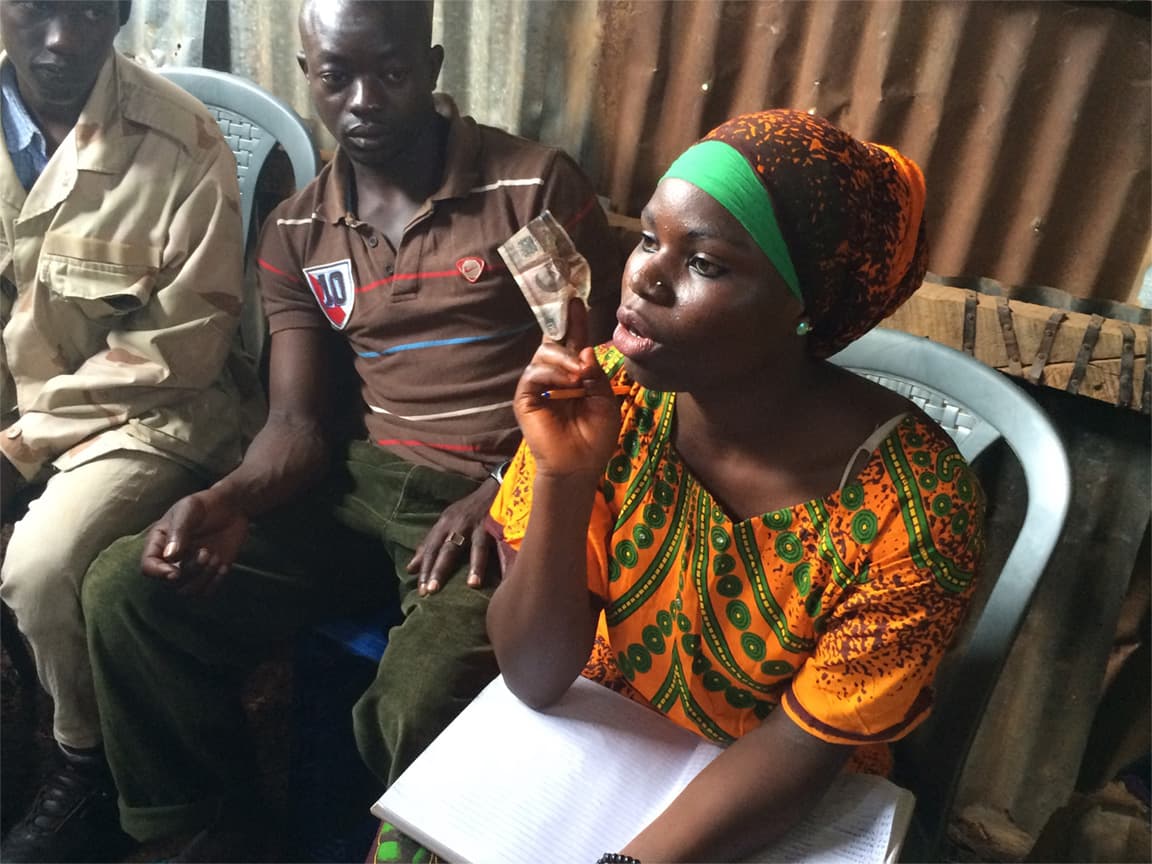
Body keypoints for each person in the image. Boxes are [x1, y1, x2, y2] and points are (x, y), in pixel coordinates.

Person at [80, 0, 621, 860]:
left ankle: (410, 845)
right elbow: (295, 425)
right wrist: (229, 496)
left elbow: (592, 377)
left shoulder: (531, 188)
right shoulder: (297, 231)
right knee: (126, 590)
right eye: (337, 76)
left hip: (496, 488)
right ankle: (210, 827)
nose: (364, 98)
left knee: (424, 690)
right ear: (308, 77)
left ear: (433, 65)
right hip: (360, 480)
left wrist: (506, 488)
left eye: (391, 71)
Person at [484, 109, 986, 863]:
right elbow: (533, 674)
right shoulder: (610, 401)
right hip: (605, 749)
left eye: (706, 263)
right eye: (650, 238)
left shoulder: (915, 509)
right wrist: (563, 475)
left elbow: (799, 750)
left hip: (773, 808)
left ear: (806, 307)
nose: (645, 274)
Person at [0, 1, 256, 861]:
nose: (61, 39)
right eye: (37, 10)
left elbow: (174, 350)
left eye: (87, 12)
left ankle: (84, 767)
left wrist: (21, 446)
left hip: (153, 410)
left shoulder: (183, 141)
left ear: (118, 15)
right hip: (20, 404)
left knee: (42, 566)